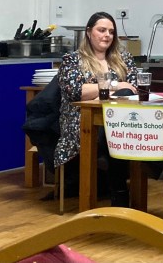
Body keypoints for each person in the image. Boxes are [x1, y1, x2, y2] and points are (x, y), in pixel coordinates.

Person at [55, 11, 139, 207]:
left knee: (125, 132)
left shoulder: (123, 58)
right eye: (102, 30)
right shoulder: (73, 59)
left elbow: (133, 88)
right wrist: (115, 86)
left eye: (111, 31)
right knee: (113, 135)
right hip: (80, 122)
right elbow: (75, 92)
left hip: (120, 119)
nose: (107, 35)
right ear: (88, 32)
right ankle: (119, 195)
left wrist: (100, 90)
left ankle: (124, 194)